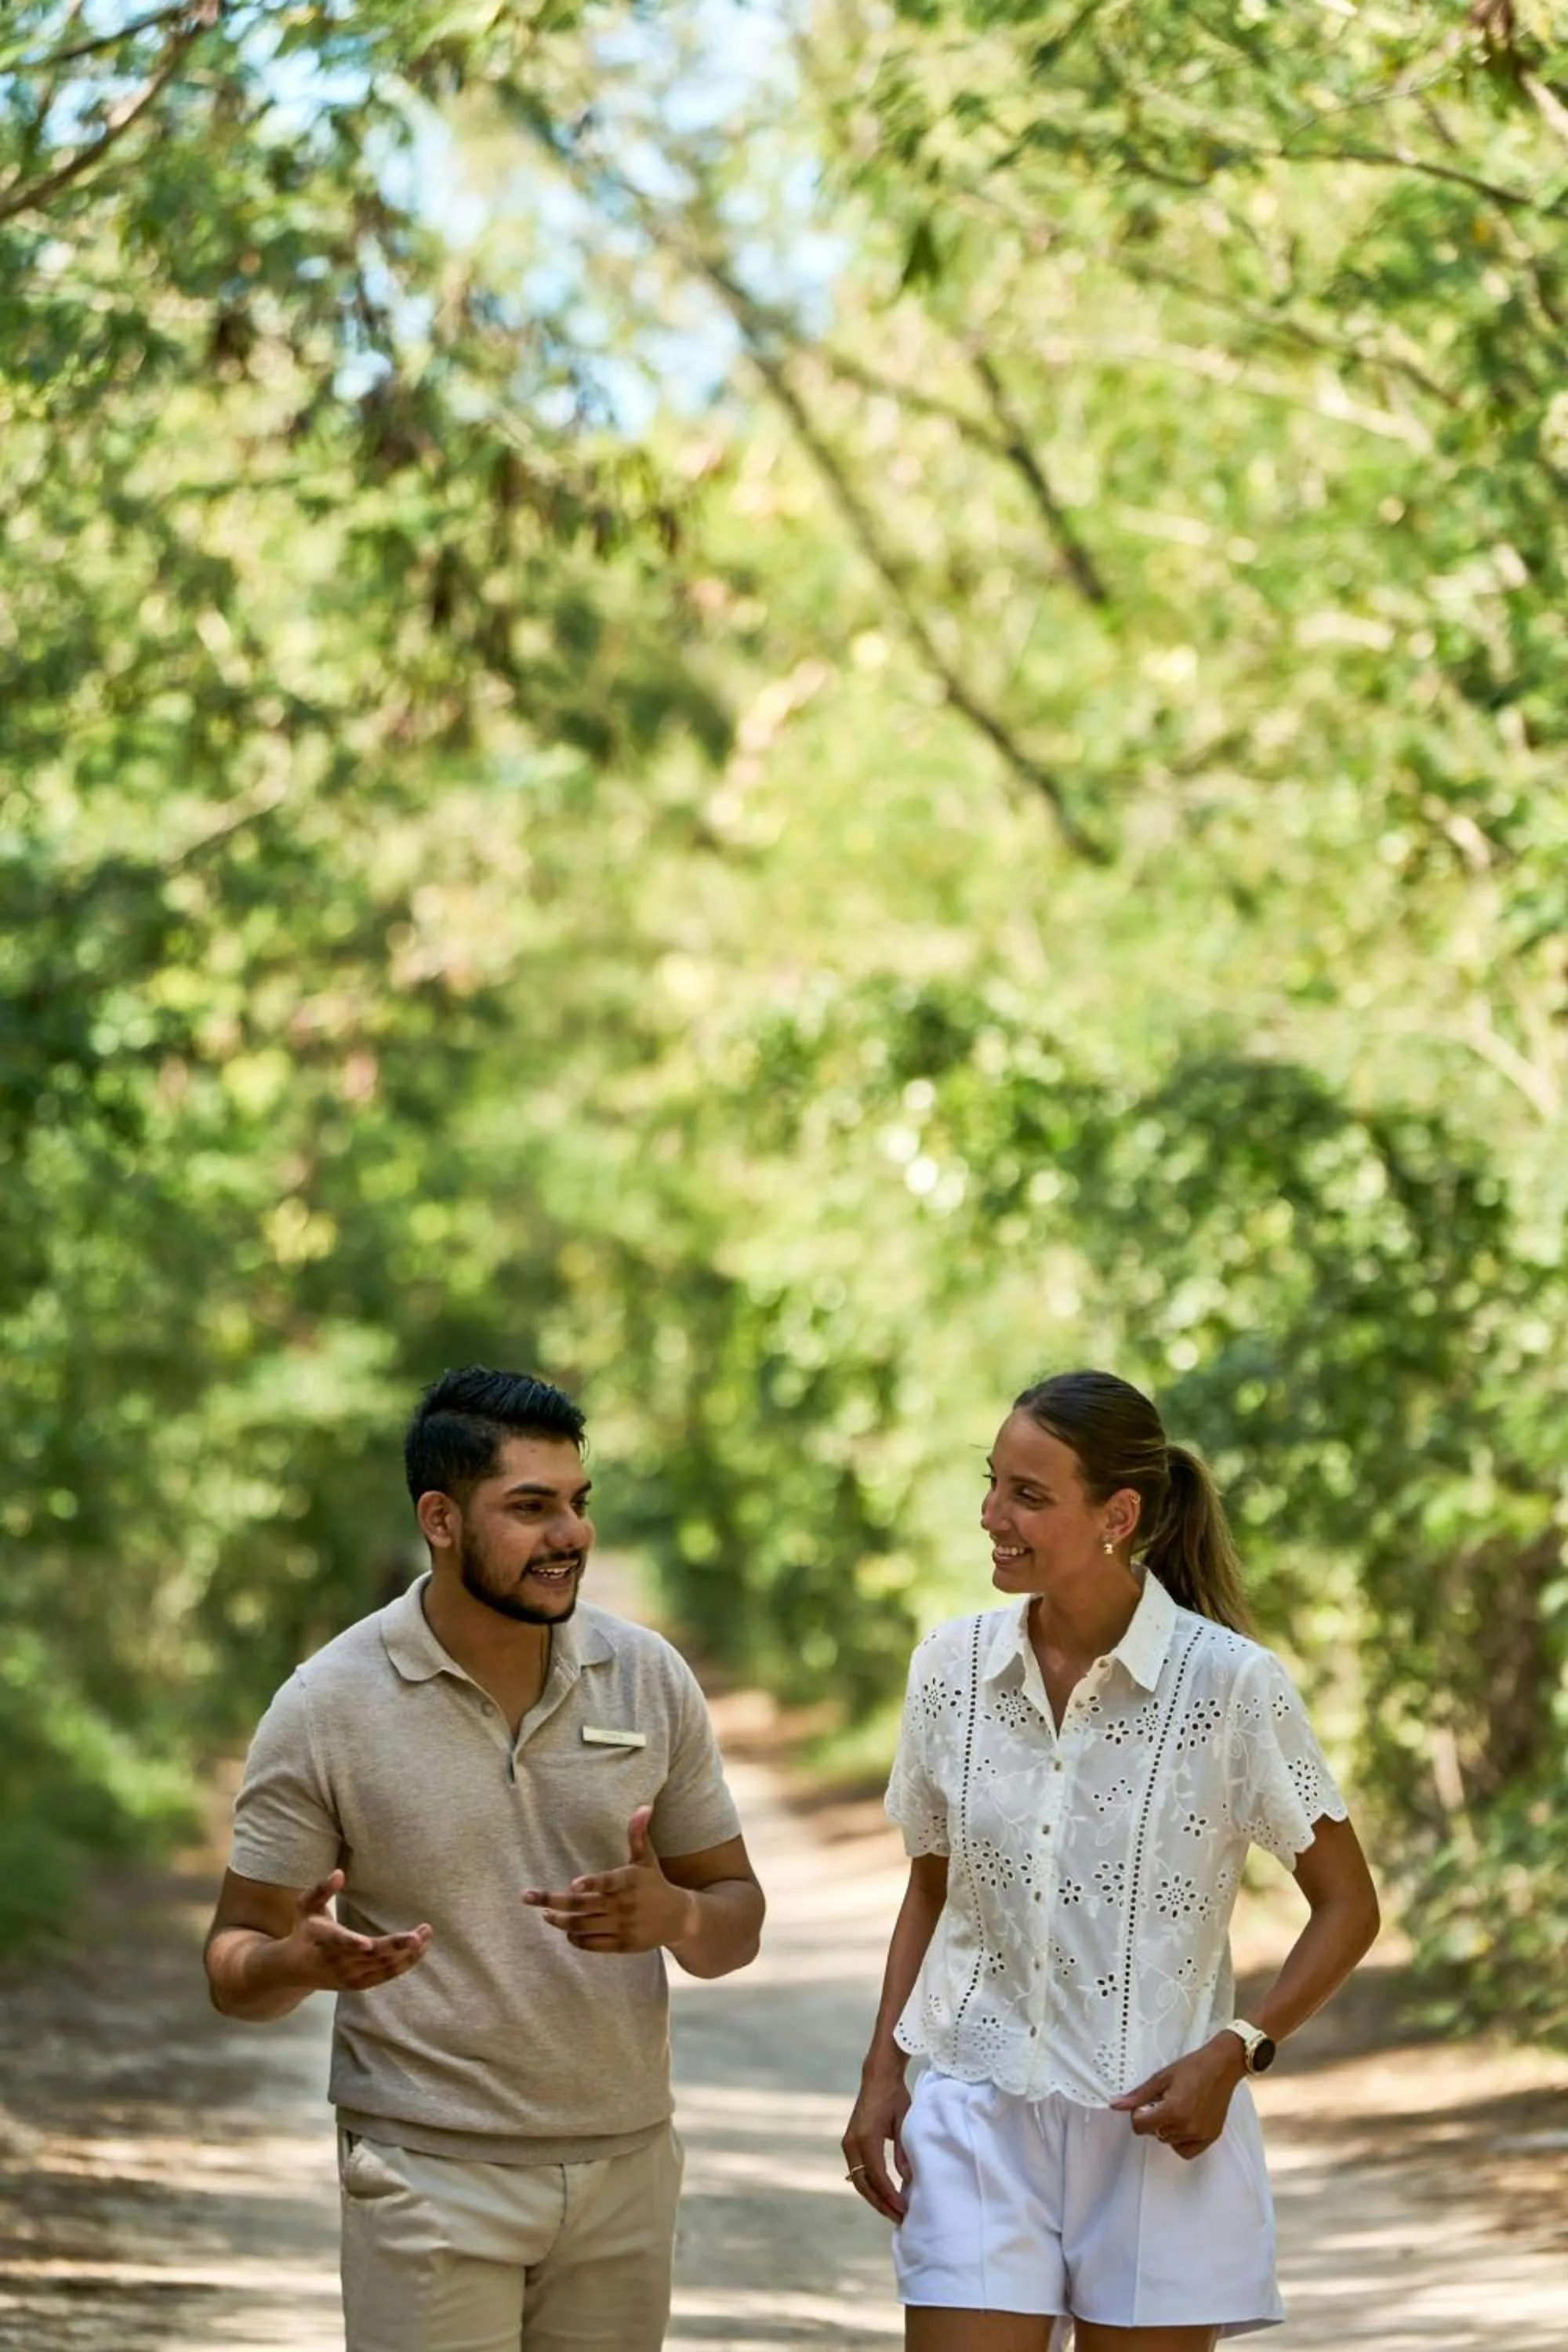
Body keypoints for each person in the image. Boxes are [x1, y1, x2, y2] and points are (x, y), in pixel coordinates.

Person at [205, 1364, 764, 2352]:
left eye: (578, 1505)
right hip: (424, 2173)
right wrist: (299, 1961)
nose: (571, 1536)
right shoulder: (326, 1704)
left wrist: (677, 1918)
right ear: (441, 1518)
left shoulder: (647, 1679)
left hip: (623, 2173)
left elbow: (735, 1922)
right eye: (530, 1507)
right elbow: (234, 1962)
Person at [842, 1369, 1381, 2352]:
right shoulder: (947, 1668)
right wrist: (882, 2074)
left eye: (1028, 1495)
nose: (991, 1515)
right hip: (975, 2111)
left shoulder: (1229, 1686)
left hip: (1157, 2131)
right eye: (993, 1482)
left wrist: (1237, 2048)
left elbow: (1347, 1906)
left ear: (1116, 1513)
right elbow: (931, 1890)